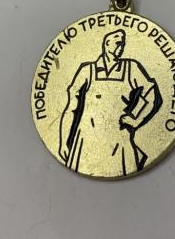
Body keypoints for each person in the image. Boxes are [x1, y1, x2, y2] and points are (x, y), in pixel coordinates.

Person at [59, 29, 162, 176]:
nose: (121, 47)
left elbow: (152, 93)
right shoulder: (87, 70)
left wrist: (136, 119)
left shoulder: (131, 67)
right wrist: (64, 141)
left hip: (119, 137)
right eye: (118, 43)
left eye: (123, 44)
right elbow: (71, 108)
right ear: (107, 44)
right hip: (86, 139)